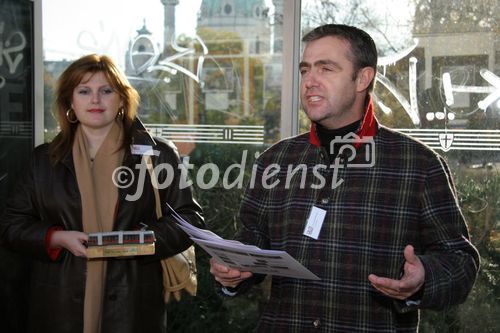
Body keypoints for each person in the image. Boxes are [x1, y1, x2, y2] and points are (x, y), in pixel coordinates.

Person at [209, 24, 480, 332]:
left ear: (363, 78)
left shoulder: (418, 164)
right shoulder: (275, 161)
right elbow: (251, 242)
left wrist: (423, 278)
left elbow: (461, 263)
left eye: (326, 69)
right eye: (305, 70)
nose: (310, 81)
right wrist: (232, 269)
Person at [0, 54, 204, 333]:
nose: (95, 100)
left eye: (106, 91)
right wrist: (56, 237)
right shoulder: (43, 160)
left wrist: (138, 241)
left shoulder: (158, 155)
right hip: (58, 306)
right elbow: (11, 225)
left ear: (121, 99)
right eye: (84, 91)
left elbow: (189, 220)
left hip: (133, 306)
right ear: (70, 102)